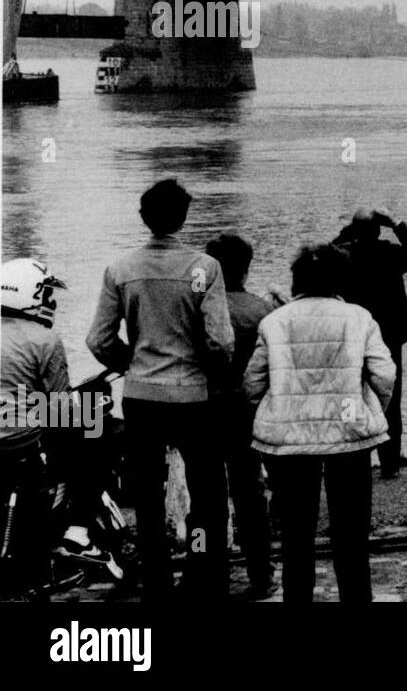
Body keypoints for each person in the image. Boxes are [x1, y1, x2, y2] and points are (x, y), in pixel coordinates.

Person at [85, 179, 233, 601]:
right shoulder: (203, 270)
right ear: (183, 218)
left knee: (147, 496)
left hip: (142, 397)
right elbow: (220, 341)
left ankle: (157, 582)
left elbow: (98, 339)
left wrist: (129, 362)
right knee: (206, 495)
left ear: (143, 217)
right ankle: (202, 571)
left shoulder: (121, 270)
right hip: (191, 396)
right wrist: (206, 368)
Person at [243, 243, 395, 604]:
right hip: (349, 435)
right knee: (352, 533)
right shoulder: (359, 317)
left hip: (289, 439)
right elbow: (384, 375)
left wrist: (274, 409)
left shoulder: (274, 321)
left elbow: (251, 384)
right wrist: (370, 409)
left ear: (296, 280)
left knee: (297, 535)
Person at [331, 206, 407, 479]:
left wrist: (351, 229)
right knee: (391, 398)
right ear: (378, 230)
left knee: (351, 395)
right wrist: (395, 221)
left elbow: (326, 250)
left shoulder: (343, 256)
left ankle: (354, 460)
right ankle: (390, 464)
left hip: (354, 335)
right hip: (389, 334)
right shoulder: (390, 254)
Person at [204, 233, 274, 599]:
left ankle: (205, 568)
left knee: (206, 502)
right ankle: (261, 571)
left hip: (203, 413)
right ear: (247, 267)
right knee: (251, 496)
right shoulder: (261, 310)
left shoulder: (197, 308)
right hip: (247, 415)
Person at [0, 258, 70, 598]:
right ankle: (80, 531)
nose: (50, 302)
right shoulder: (44, 338)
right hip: (20, 443)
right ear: (29, 295)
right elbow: (61, 410)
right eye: (45, 294)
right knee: (99, 435)